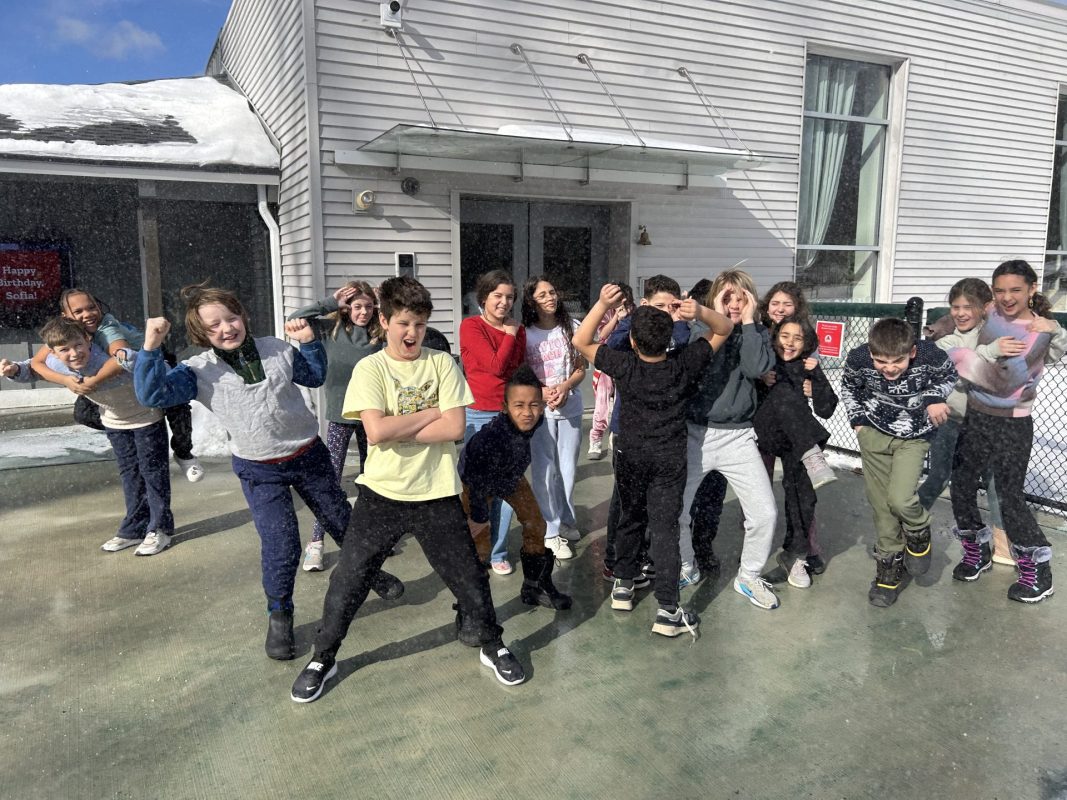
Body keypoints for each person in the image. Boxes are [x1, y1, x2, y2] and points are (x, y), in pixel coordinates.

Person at [134, 283, 403, 661]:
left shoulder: (276, 349)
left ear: (243, 316)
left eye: (231, 318)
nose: (227, 328)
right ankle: (280, 616)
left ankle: (370, 573)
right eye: (214, 325)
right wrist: (150, 347)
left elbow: (314, 376)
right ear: (201, 333)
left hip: (308, 456)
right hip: (259, 470)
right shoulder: (197, 370)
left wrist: (308, 343)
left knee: (343, 522)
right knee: (282, 545)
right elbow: (152, 395)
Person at [290, 276, 526, 703]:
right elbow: (376, 432)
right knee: (349, 579)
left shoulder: (442, 364)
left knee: (469, 576)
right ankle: (323, 657)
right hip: (381, 495)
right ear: (384, 321)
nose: (412, 333)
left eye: (419, 323)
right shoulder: (371, 369)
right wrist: (431, 413)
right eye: (403, 323)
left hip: (437, 493)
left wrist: (400, 426)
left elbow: (454, 428)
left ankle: (492, 643)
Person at [574, 283, 734, 638]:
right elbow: (724, 328)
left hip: (630, 455)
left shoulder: (624, 364)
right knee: (664, 529)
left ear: (632, 341)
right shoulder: (684, 363)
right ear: (669, 339)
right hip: (668, 460)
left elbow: (581, 341)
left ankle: (623, 585)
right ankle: (667, 610)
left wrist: (602, 303)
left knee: (630, 517)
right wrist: (698, 311)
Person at [947, 260, 1067, 603]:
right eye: (999, 290)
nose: (1007, 297)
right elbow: (953, 324)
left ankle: (1037, 569)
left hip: (1012, 422)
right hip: (975, 416)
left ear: (1032, 289)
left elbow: (1006, 380)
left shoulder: (1040, 329)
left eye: (1015, 290)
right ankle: (976, 549)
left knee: (1008, 497)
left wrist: (958, 356)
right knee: (961, 486)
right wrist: (939, 335)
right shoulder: (990, 313)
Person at [4, 317, 175, 555]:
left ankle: (160, 528)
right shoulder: (56, 364)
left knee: (153, 473)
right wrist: (14, 370)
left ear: (88, 340)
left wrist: (130, 358)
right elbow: (32, 368)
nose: (74, 354)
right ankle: (135, 528)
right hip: (115, 423)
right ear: (53, 352)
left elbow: (149, 365)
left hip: (147, 418)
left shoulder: (103, 358)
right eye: (64, 350)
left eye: (78, 345)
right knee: (130, 475)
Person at [676, 269, 781, 609]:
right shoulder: (700, 331)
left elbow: (755, 368)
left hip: (739, 437)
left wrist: (748, 322)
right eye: (727, 297)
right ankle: (686, 566)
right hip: (697, 434)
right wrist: (715, 316)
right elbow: (700, 364)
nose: (734, 304)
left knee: (764, 513)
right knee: (676, 510)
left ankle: (748, 576)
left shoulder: (757, 332)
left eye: (741, 297)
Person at [28, 288, 204, 482]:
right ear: (66, 316)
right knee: (83, 414)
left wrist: (93, 381)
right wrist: (65, 380)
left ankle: (183, 453)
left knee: (176, 405)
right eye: (78, 311)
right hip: (119, 383)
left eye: (91, 307)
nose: (87, 314)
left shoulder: (106, 326)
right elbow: (36, 362)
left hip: (153, 365)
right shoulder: (67, 332)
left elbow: (121, 357)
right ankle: (130, 432)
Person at [841, 317, 957, 607]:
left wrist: (934, 397)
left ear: (912, 352)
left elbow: (948, 375)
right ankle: (889, 569)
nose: (889, 368)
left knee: (901, 499)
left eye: (897, 361)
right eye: (880, 361)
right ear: (871, 352)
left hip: (913, 436)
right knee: (882, 507)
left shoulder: (929, 355)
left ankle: (918, 530)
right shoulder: (858, 358)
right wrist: (858, 421)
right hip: (874, 434)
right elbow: (849, 387)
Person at [600, 276, 692, 583]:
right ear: (643, 305)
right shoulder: (631, 331)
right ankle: (615, 560)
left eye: (671, 306)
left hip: (664, 436)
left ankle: (647, 557)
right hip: (628, 432)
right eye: (658, 306)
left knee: (658, 505)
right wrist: (632, 321)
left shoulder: (678, 331)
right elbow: (612, 345)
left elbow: (683, 345)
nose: (665, 313)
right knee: (625, 504)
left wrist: (680, 320)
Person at [459, 364, 572, 610]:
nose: (527, 413)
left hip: (510, 477)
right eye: (519, 405)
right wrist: (479, 516)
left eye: (534, 405)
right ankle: (471, 607)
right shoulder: (490, 439)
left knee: (536, 524)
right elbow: (474, 475)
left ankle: (534, 586)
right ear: (504, 407)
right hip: (478, 484)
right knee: (478, 544)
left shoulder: (535, 420)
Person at [287, 281, 383, 571]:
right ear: (346, 308)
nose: (363, 312)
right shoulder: (331, 329)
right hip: (340, 417)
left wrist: (387, 300)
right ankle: (316, 543)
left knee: (372, 480)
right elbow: (295, 319)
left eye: (369, 306)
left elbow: (403, 323)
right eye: (357, 306)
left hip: (372, 417)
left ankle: (370, 538)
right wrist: (330, 302)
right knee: (329, 481)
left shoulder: (380, 333)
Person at [916, 279, 1011, 564]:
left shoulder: (998, 334)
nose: (960, 313)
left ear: (985, 307)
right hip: (952, 421)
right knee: (940, 475)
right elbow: (964, 369)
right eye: (955, 307)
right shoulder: (946, 341)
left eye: (968, 307)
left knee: (994, 481)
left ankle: (1002, 545)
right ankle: (909, 525)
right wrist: (990, 353)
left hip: (988, 422)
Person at [753, 317, 838, 588]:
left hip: (795, 442)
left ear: (806, 343)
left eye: (797, 338)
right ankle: (812, 452)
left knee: (802, 497)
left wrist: (817, 379)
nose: (789, 343)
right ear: (775, 337)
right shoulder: (764, 362)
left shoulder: (806, 366)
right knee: (783, 395)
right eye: (785, 336)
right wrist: (760, 380)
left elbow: (827, 409)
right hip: (768, 433)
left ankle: (796, 554)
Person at [459, 270, 531, 573]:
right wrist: (510, 334)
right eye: (497, 295)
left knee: (506, 488)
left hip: (508, 416)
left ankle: (497, 552)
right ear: (484, 297)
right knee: (477, 489)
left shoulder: (518, 329)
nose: (504, 302)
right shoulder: (471, 326)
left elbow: (517, 370)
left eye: (510, 297)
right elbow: (496, 366)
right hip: (479, 414)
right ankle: (476, 550)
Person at [521, 276, 586, 556]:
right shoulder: (525, 334)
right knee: (544, 472)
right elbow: (521, 372)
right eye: (542, 295)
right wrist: (541, 391)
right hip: (540, 411)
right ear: (531, 301)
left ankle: (566, 520)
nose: (550, 298)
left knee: (568, 470)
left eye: (552, 292)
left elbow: (581, 368)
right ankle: (549, 531)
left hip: (570, 408)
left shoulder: (572, 328)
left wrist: (565, 386)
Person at [587, 284, 634, 461]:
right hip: (606, 362)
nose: (621, 303)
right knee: (602, 400)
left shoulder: (634, 312)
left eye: (624, 300)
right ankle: (596, 438)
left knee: (622, 402)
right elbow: (602, 336)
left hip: (627, 362)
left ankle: (615, 436)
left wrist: (627, 318)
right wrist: (616, 317)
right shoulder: (605, 312)